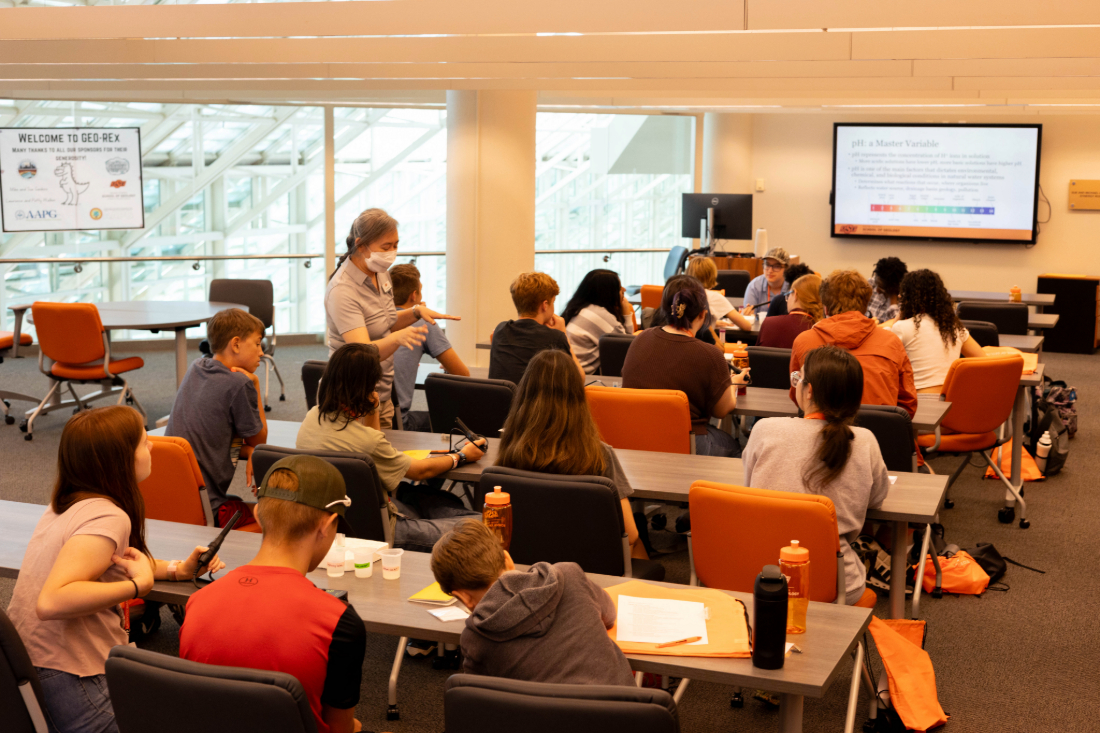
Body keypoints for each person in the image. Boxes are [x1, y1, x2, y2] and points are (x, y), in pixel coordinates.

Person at [8, 406, 225, 733]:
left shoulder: (67, 504)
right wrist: (138, 588)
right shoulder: (108, 517)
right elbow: (52, 601)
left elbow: (111, 560)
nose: (151, 445)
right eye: (143, 441)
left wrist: (178, 569)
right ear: (120, 459)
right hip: (71, 675)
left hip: (33, 664)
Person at [180, 456, 365, 733]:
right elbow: (339, 729)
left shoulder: (197, 602)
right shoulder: (339, 622)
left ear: (257, 515)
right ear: (326, 526)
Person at [296, 343, 485, 551]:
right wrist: (462, 456)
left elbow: (375, 445)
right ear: (365, 388)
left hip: (341, 522)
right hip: (385, 529)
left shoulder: (311, 418)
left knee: (441, 505)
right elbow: (421, 471)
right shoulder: (367, 442)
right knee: (485, 526)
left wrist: (372, 410)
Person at [743, 346, 889, 605]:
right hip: (833, 584)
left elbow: (749, 492)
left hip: (762, 574)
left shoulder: (765, 429)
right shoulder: (865, 441)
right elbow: (877, 500)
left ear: (808, 390)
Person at [430, 519, 636, 686]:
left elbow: (480, 700)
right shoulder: (568, 575)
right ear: (507, 559)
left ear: (464, 597)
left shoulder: (477, 639)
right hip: (626, 718)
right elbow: (609, 616)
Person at [495, 349, 651, 561]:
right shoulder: (599, 455)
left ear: (524, 394)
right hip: (589, 568)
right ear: (577, 398)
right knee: (639, 543)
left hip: (523, 561)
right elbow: (630, 535)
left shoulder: (510, 449)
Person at [326, 207, 460, 429]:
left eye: (396, 245)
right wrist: (398, 339)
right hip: (352, 395)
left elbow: (385, 323)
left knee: (383, 458)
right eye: (386, 247)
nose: (392, 252)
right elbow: (362, 353)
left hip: (382, 391)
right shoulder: (342, 290)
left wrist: (415, 313)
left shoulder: (380, 273)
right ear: (361, 245)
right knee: (363, 460)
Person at [622, 276, 749, 457]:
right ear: (703, 314)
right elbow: (722, 410)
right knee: (734, 447)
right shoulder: (709, 354)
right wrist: (733, 384)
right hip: (686, 440)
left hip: (636, 438)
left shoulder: (640, 339)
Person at [166, 307, 268, 526]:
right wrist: (255, 385)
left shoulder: (196, 367)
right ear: (236, 344)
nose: (261, 352)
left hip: (173, 500)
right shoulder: (239, 383)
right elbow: (260, 442)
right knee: (267, 521)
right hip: (206, 508)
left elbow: (211, 436)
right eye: (258, 343)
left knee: (237, 501)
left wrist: (248, 450)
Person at [790, 270, 917, 417]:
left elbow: (798, 397)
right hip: (880, 435)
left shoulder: (804, 341)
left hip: (821, 436)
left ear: (825, 307)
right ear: (866, 306)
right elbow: (908, 404)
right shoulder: (891, 342)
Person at [389, 263, 470, 431]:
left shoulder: (377, 321)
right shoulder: (423, 321)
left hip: (368, 418)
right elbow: (462, 374)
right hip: (399, 423)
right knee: (448, 418)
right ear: (414, 296)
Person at [891, 269, 984, 393]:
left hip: (918, 404)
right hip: (951, 401)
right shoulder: (953, 328)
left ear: (909, 297)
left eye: (903, 293)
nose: (899, 296)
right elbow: (982, 359)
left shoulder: (901, 328)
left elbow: (882, 356)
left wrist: (896, 319)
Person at [489, 271, 584, 385]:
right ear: (545, 305)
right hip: (534, 403)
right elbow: (579, 380)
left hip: (502, 402)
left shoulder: (500, 330)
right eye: (553, 302)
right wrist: (562, 333)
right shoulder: (555, 337)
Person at [561, 269, 636, 375]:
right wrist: (626, 313)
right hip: (581, 378)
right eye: (618, 288)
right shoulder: (599, 315)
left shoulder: (582, 309)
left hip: (568, 372)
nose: (623, 289)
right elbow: (626, 348)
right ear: (607, 292)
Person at [685, 256, 755, 334]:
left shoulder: (681, 294)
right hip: (701, 345)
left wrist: (714, 322)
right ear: (711, 276)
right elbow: (746, 326)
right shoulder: (713, 297)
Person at [757, 273, 823, 349]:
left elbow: (756, 358)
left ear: (795, 294)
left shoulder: (769, 323)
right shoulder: (821, 331)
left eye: (788, 294)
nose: (787, 300)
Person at [743, 247, 790, 315]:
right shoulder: (754, 286)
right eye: (767, 265)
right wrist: (748, 314)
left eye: (776, 266)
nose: (770, 271)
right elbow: (748, 319)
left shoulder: (792, 287)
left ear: (786, 269)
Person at [867, 257, 908, 323]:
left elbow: (896, 326)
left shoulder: (905, 301)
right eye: (876, 283)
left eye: (881, 287)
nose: (877, 290)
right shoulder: (870, 285)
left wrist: (892, 300)